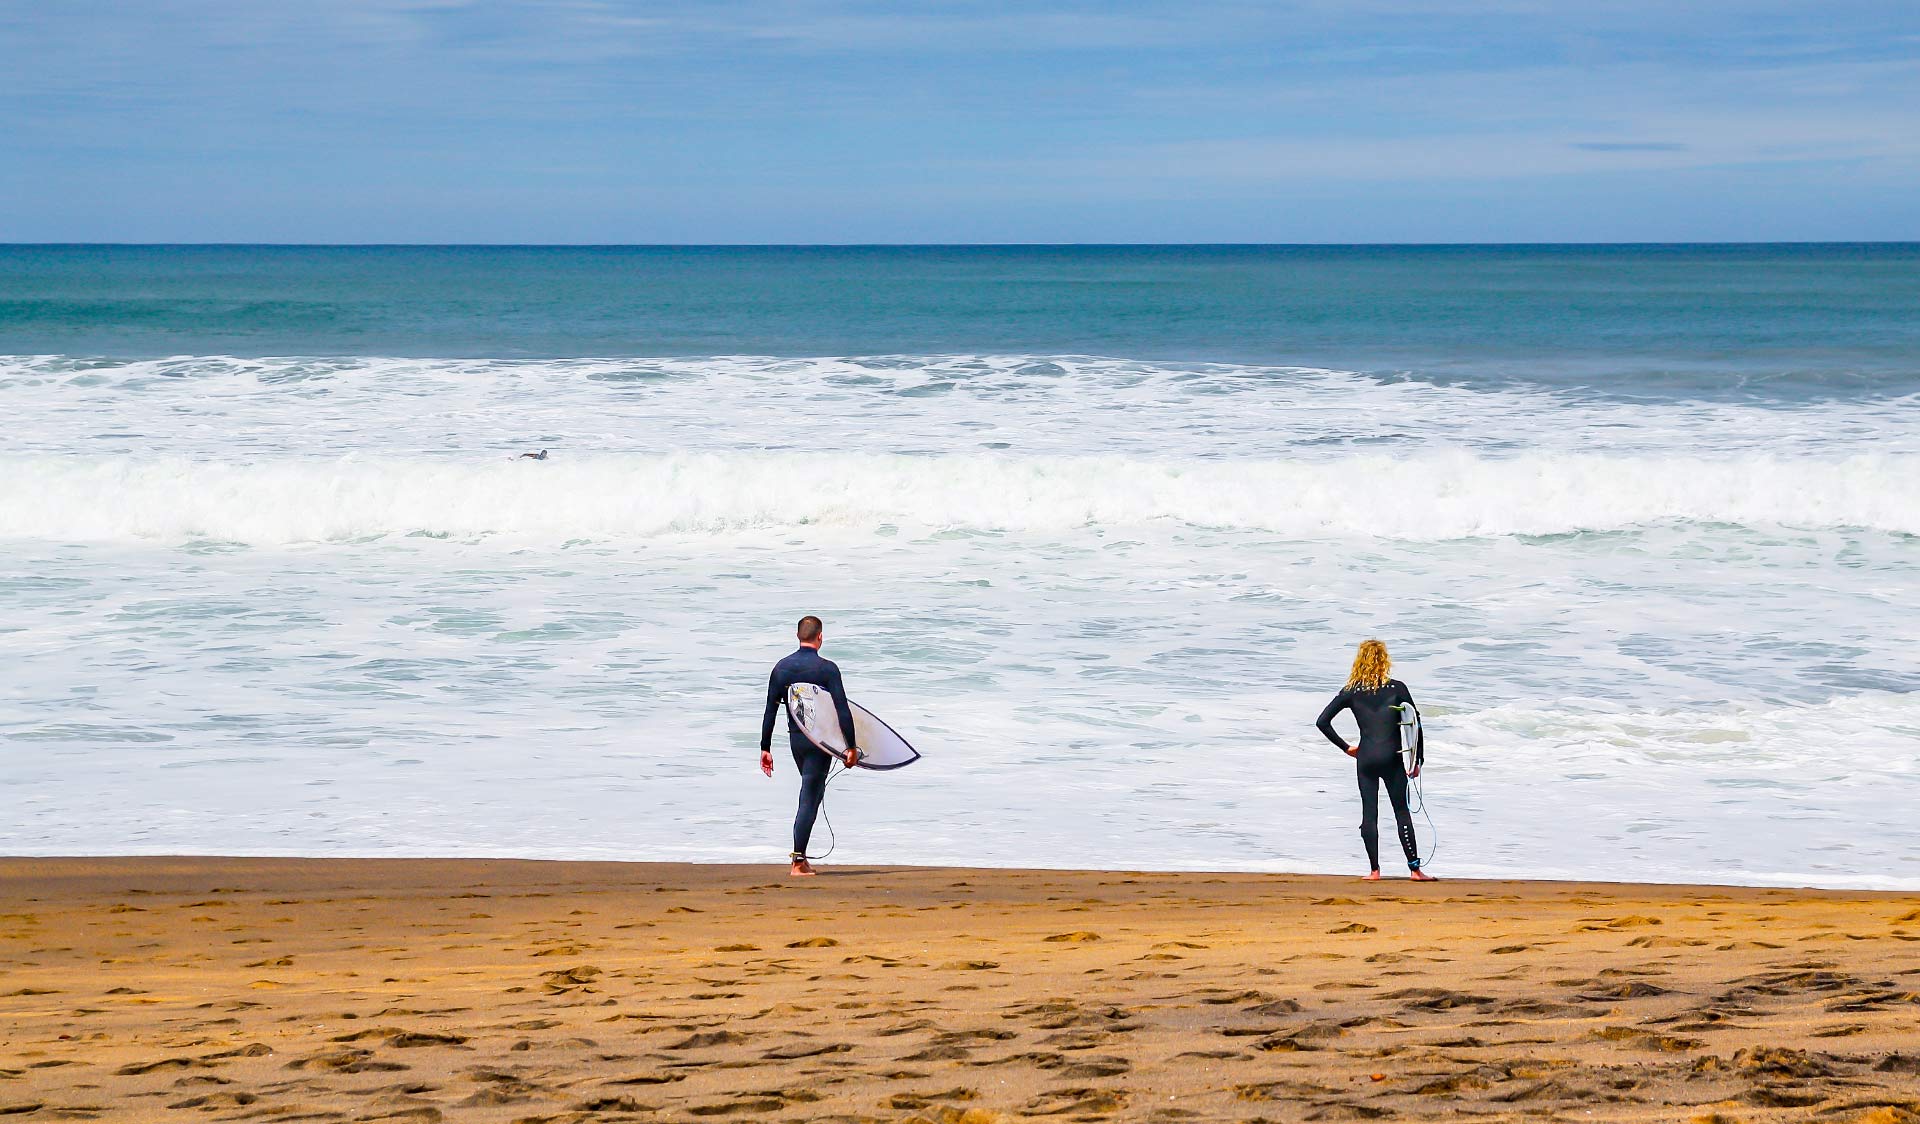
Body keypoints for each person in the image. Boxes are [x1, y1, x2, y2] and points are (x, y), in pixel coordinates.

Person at [1316, 639, 1436, 882]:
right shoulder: (1397, 688)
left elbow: (1322, 722)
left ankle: (1374, 871)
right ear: (1384, 660)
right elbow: (1416, 724)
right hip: (1392, 758)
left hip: (1366, 758)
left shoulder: (1350, 691)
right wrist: (1417, 759)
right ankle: (1414, 870)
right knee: (1401, 812)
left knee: (1369, 813)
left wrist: (1347, 748)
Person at [760, 615, 860, 877]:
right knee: (809, 797)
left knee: (812, 793)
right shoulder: (827, 669)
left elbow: (770, 709)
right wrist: (851, 746)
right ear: (820, 637)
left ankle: (801, 859)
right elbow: (842, 710)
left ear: (797, 636)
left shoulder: (781, 668)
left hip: (797, 741)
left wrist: (765, 747)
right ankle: (797, 861)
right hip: (820, 742)